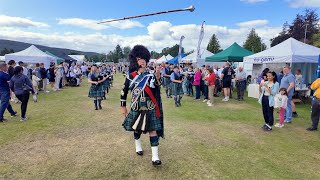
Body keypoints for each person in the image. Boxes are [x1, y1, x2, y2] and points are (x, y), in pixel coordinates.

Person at [120, 45, 164, 166]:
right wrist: (123, 106)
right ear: (135, 60)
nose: (142, 61)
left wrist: (158, 76)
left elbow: (157, 85)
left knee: (153, 130)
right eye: (139, 58)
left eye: (144, 58)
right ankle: (138, 146)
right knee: (137, 129)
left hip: (150, 106)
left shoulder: (151, 74)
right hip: (136, 106)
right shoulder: (130, 76)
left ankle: (155, 157)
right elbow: (123, 91)